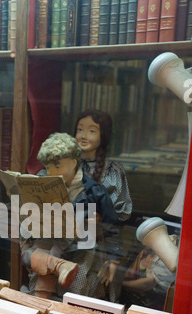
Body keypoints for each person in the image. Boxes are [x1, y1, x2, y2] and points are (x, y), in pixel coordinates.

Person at [20, 132, 122, 300]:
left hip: (80, 251)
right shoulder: (40, 182)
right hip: (47, 242)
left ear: (74, 163)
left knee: (77, 289)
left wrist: (114, 260)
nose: (51, 172)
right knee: (33, 259)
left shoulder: (93, 192)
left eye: (57, 166)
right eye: (48, 167)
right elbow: (25, 219)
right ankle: (55, 270)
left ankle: (60, 271)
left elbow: (112, 226)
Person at [74, 109, 132, 222]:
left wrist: (101, 218)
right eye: (80, 129)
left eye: (92, 131)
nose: (83, 136)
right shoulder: (67, 165)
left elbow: (123, 212)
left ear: (103, 135)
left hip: (98, 233)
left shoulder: (112, 170)